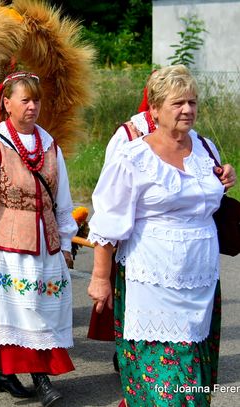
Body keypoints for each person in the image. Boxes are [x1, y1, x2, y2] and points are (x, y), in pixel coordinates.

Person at [87, 65, 237, 407]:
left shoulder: (205, 148)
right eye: (178, 103)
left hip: (200, 282)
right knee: (169, 386)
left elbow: (209, 196)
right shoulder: (133, 157)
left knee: (194, 383)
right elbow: (108, 220)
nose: (188, 110)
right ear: (154, 109)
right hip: (151, 283)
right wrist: (99, 277)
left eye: (193, 102)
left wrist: (226, 175)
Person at [0, 72, 77, 407]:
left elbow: (61, 200)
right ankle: (41, 379)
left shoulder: (49, 146)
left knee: (44, 309)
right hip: (7, 246)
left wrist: (65, 243)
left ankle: (4, 373)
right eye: (25, 100)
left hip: (45, 243)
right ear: (7, 104)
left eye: (36, 100)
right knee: (24, 312)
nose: (32, 106)